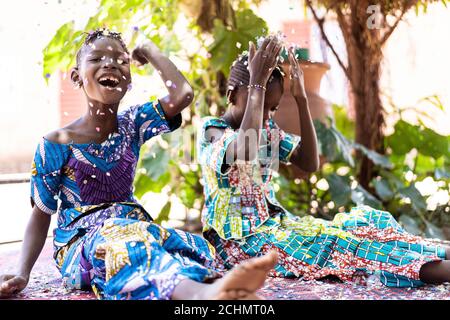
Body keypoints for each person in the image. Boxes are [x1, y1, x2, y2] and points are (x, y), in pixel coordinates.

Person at [0, 29, 278, 300]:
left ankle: (211, 284)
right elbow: (41, 214)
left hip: (136, 227)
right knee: (122, 242)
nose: (110, 64)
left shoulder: (133, 124)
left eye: (121, 61)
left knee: (195, 248)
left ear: (129, 79)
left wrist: (149, 49)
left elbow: (182, 95)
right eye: (96, 59)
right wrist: (22, 273)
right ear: (76, 77)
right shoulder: (56, 143)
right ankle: (199, 293)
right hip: (83, 246)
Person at [198, 35, 450, 288]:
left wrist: (301, 100)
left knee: (361, 227)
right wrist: (257, 88)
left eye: (272, 108)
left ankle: (439, 255)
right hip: (238, 243)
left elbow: (309, 162)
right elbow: (245, 148)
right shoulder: (212, 131)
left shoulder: (266, 129)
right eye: (262, 104)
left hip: (276, 228)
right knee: (342, 247)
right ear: (232, 94)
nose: (266, 115)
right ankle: (438, 270)